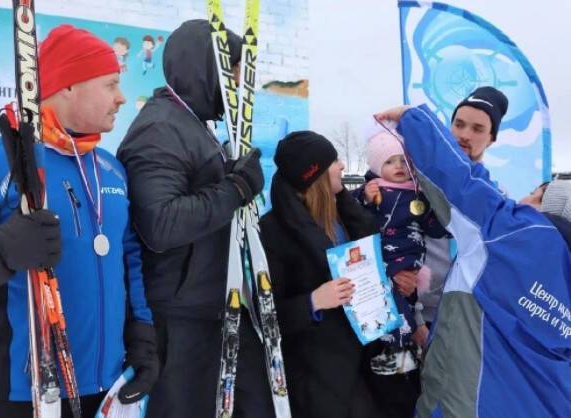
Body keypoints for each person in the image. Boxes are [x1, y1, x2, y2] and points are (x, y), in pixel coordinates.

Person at [0, 25, 158, 417]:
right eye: (111, 84)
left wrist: (142, 335)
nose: (121, 98)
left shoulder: (111, 169)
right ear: (69, 85)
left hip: (108, 389)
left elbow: (128, 258)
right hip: (24, 391)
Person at [116, 19, 272, 418]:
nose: (239, 86)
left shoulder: (192, 126)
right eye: (233, 74)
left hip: (208, 304)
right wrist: (233, 189)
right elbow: (161, 224)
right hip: (178, 314)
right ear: (208, 70)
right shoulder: (160, 128)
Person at [375, 104, 570, 418]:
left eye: (533, 194)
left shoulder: (514, 231)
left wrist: (413, 119)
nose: (522, 200)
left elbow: (461, 181)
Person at [259, 130, 382, 418]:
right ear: (314, 175)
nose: (342, 166)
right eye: (334, 161)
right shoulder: (273, 231)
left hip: (361, 362)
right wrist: (314, 301)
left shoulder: (348, 218)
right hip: (314, 377)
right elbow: (268, 315)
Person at [353, 129, 448, 418]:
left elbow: (436, 229)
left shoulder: (418, 192)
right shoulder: (373, 188)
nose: (398, 168)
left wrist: (435, 208)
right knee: (396, 306)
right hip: (387, 259)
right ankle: (397, 350)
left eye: (402, 162)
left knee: (409, 301)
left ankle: (406, 354)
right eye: (390, 161)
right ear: (377, 166)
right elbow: (354, 215)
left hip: (413, 260)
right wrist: (365, 198)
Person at [416, 85, 509, 346]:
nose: (464, 135)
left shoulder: (497, 196)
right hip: (412, 317)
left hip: (461, 322)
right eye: (459, 124)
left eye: (478, 129)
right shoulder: (420, 179)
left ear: (492, 138)